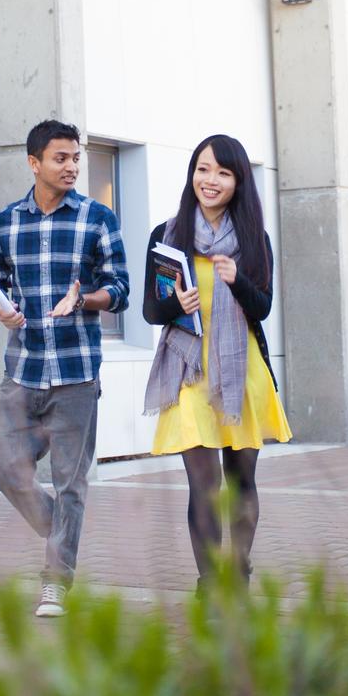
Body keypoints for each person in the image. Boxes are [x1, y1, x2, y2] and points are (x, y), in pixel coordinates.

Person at [0, 119, 129, 617]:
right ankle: (58, 525)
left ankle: (55, 582)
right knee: (4, 465)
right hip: (22, 369)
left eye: (75, 158)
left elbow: (120, 288)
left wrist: (85, 299)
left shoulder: (96, 218)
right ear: (34, 163)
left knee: (71, 482)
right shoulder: (6, 222)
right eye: (60, 158)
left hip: (76, 373)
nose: (71, 167)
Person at [143, 134, 291, 591]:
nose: (210, 180)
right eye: (203, 169)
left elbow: (263, 306)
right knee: (203, 483)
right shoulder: (168, 236)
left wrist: (238, 280)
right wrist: (176, 305)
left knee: (241, 478)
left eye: (223, 173)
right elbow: (152, 310)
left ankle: (240, 571)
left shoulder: (252, 238)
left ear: (237, 182)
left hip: (241, 370)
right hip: (189, 371)